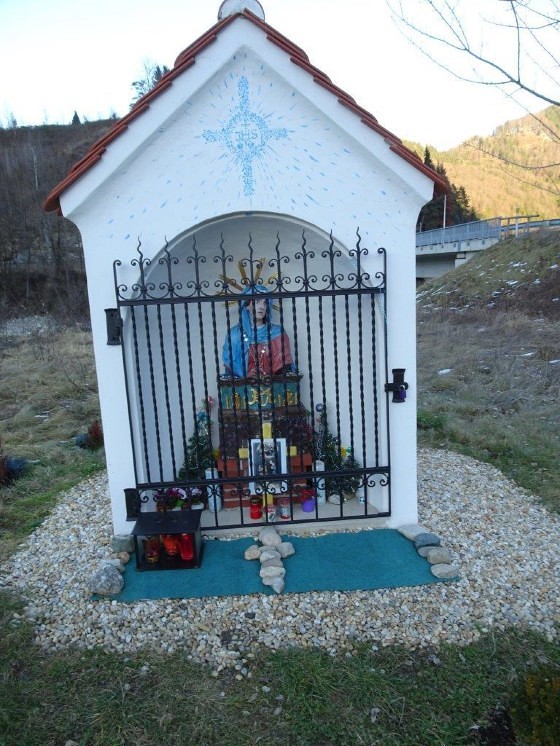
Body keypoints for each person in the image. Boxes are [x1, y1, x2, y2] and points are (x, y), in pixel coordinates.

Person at [222, 286, 295, 378]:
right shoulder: (234, 335)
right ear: (247, 305)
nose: (262, 307)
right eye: (257, 302)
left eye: (265, 303)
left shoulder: (278, 333)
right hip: (242, 386)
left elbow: (284, 369)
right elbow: (230, 370)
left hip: (273, 385)